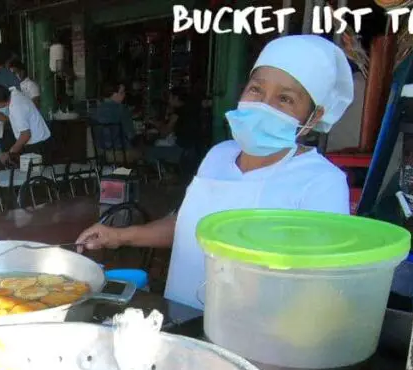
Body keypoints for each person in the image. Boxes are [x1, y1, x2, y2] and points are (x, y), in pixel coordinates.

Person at [76, 35, 354, 309]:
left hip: (253, 339)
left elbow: (320, 287)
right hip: (182, 313)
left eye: (285, 99)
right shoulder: (219, 155)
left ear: (313, 116)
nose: (263, 105)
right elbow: (186, 225)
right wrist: (119, 236)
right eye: (256, 89)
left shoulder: (320, 182)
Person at [0, 85, 51, 167]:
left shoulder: (16, 107)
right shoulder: (13, 93)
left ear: (1, 103)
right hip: (35, 142)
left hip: (38, 146)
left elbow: (26, 135)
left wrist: (9, 153)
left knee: (35, 176)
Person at [145, 88, 203, 176]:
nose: (168, 100)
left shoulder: (178, 113)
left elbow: (165, 133)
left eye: (170, 97)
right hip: (195, 149)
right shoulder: (192, 110)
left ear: (176, 98)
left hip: (182, 150)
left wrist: (154, 123)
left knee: (148, 152)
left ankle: (166, 175)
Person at [91, 80, 138, 162]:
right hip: (120, 153)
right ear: (113, 94)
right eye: (122, 92)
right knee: (146, 151)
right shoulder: (122, 110)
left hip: (100, 152)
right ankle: (127, 172)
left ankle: (122, 171)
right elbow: (131, 135)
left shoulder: (95, 111)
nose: (124, 95)